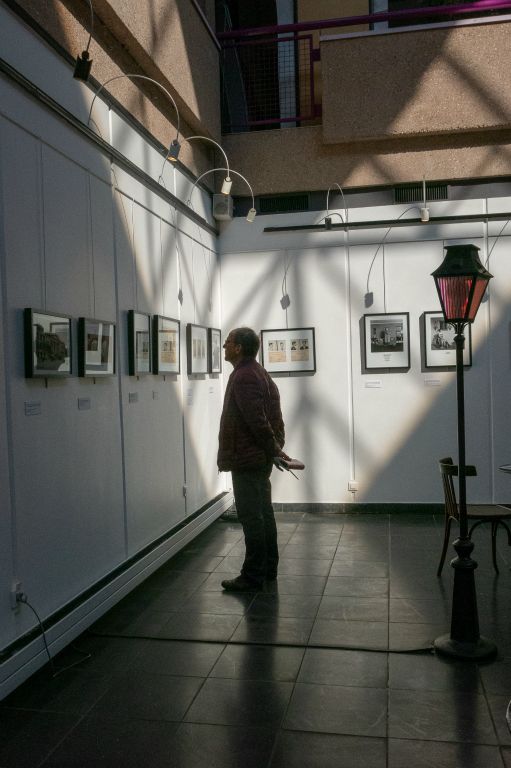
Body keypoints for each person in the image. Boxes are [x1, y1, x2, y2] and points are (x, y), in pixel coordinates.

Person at [218, 327, 288, 591]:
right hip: (257, 457)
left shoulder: (245, 375)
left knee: (252, 517)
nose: (224, 346)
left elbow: (258, 421)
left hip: (247, 458)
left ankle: (253, 575)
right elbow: (273, 416)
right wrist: (275, 448)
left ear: (238, 348)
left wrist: (273, 448)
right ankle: (268, 569)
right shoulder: (257, 372)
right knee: (263, 513)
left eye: (228, 343)